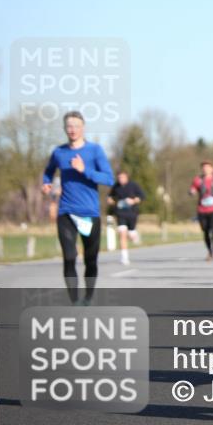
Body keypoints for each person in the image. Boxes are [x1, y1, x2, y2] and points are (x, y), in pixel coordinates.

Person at [41, 111, 115, 304]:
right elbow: (48, 171)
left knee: (91, 260)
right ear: (65, 128)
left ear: (83, 128)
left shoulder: (95, 150)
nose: (72, 129)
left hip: (90, 213)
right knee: (69, 257)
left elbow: (109, 179)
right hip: (66, 211)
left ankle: (88, 297)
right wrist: (46, 183)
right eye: (69, 126)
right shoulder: (59, 152)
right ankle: (74, 302)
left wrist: (85, 170)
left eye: (76, 126)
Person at [107, 171, 145, 265]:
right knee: (122, 234)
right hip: (120, 213)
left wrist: (133, 201)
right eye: (119, 178)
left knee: (131, 234)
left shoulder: (133, 185)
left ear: (127, 177)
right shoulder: (116, 186)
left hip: (132, 213)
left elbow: (142, 196)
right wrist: (110, 200)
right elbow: (110, 197)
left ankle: (133, 234)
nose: (121, 179)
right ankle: (124, 257)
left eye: (122, 177)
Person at [189, 161, 213, 260]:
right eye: (204, 167)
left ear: (212, 169)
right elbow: (192, 189)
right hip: (202, 210)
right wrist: (192, 192)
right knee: (205, 231)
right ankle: (210, 251)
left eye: (208, 167)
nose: (206, 169)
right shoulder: (198, 180)